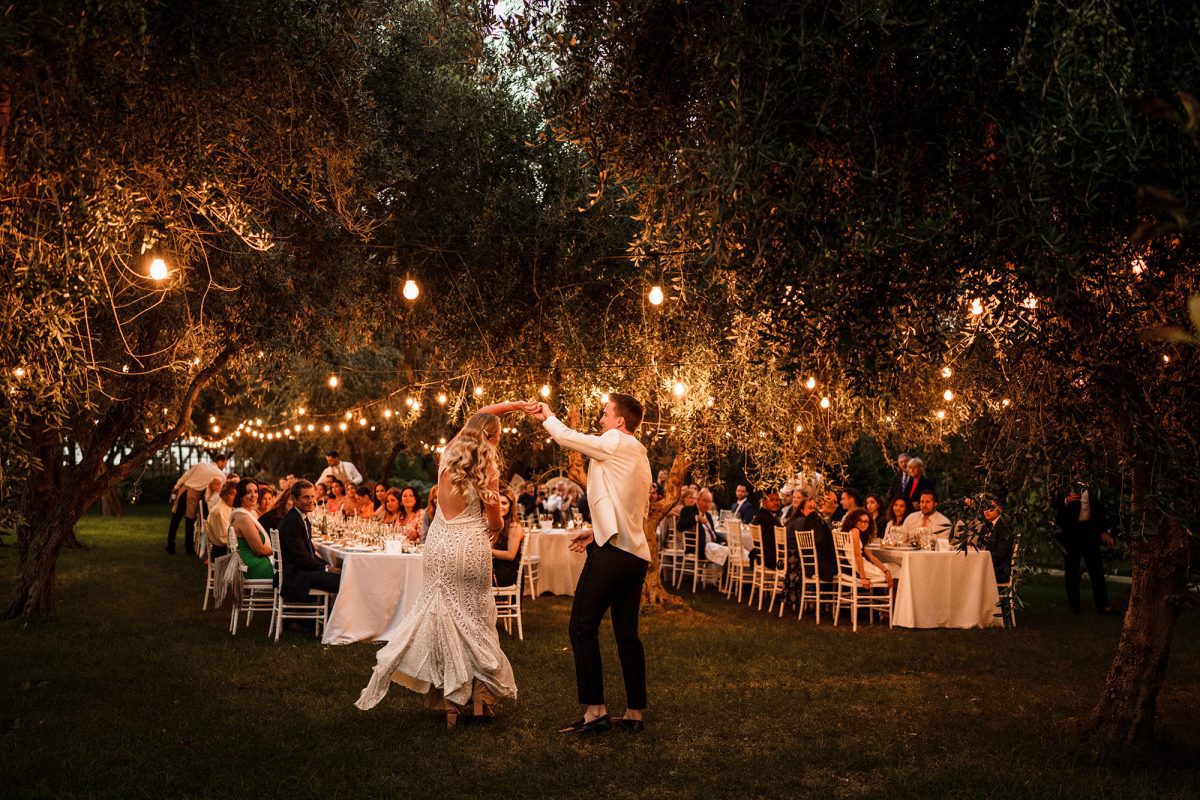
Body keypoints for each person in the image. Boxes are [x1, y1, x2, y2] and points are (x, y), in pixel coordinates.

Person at [356, 402, 528, 728]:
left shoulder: (447, 457)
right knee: (477, 619)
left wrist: (512, 406)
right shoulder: (487, 470)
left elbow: (477, 416)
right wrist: (496, 521)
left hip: (438, 547)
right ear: (490, 437)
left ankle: (451, 704)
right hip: (469, 547)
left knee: (443, 618)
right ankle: (479, 702)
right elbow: (495, 521)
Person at [528, 394, 652, 735]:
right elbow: (627, 508)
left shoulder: (613, 441)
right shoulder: (640, 455)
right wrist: (593, 532)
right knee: (627, 634)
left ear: (619, 422)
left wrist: (548, 417)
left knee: (581, 626)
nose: (600, 420)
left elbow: (571, 438)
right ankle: (634, 713)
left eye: (604, 414)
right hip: (635, 556)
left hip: (613, 555)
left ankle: (595, 711)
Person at [1054, 480, 1114, 614]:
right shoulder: (1064, 481)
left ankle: (1103, 605)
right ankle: (1074, 605)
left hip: (1089, 531)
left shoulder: (1094, 483)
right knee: (1072, 569)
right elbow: (1053, 504)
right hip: (1070, 532)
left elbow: (1099, 508)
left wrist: (1102, 531)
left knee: (1096, 568)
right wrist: (1066, 500)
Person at [278, 480, 341, 603]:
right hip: (296, 576)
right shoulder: (292, 522)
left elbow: (309, 553)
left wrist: (328, 566)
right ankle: (337, 619)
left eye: (313, 497)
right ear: (294, 499)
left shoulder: (301, 518)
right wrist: (327, 568)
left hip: (301, 571)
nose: (311, 501)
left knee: (342, 576)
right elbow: (302, 558)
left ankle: (329, 615)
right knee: (344, 581)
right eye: (306, 497)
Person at [166, 453, 228, 555]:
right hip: (192, 494)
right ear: (220, 461)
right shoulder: (219, 474)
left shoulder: (200, 464)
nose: (224, 466)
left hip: (183, 490)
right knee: (190, 521)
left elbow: (186, 475)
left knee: (175, 519)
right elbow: (224, 488)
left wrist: (176, 486)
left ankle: (170, 546)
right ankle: (188, 549)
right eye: (224, 463)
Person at [228, 481, 273, 580]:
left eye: (256, 491)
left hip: (248, 561)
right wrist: (277, 550)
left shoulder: (241, 513)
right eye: (248, 492)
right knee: (290, 572)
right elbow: (259, 550)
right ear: (240, 495)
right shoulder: (244, 518)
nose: (254, 495)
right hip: (253, 566)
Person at [840, 509, 893, 590]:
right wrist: (863, 577)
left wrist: (886, 570)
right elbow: (857, 556)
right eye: (860, 521)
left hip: (860, 566)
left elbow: (871, 557)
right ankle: (896, 600)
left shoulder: (860, 534)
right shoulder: (855, 531)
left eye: (866, 521)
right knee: (895, 572)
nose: (863, 524)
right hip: (857, 568)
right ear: (854, 521)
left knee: (891, 570)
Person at [491, 489, 525, 588]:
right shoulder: (498, 525)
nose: (500, 506)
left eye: (504, 503)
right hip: (496, 568)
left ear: (511, 506)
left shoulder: (514, 526)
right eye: (498, 503)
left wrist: (488, 551)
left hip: (507, 573)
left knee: (475, 581)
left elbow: (510, 555)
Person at [677, 488, 718, 562]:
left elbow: (713, 532)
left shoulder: (708, 515)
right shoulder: (688, 510)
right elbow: (680, 527)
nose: (707, 504)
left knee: (731, 552)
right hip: (700, 548)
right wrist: (696, 518)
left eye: (709, 502)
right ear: (698, 500)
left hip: (713, 547)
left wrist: (723, 542)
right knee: (728, 555)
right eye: (704, 500)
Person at [203, 481, 238, 560]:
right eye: (232, 494)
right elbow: (223, 539)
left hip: (228, 548)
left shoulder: (229, 507)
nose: (235, 497)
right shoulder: (220, 512)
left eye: (237, 494)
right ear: (224, 494)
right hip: (222, 553)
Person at [748, 490, 782, 568]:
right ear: (764, 502)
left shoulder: (762, 515)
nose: (776, 503)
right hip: (771, 559)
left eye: (777, 500)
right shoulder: (765, 518)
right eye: (772, 500)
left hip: (761, 557)